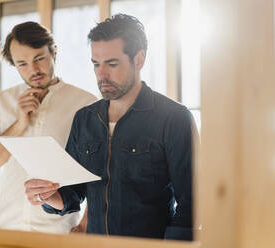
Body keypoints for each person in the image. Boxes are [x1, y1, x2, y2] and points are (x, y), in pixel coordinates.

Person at [24, 14, 195, 240]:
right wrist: (47, 194)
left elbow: (192, 204)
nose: (101, 74)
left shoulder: (174, 118)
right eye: (96, 64)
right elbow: (73, 194)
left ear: (139, 59)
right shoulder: (85, 118)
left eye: (112, 64)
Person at [0, 21, 96, 234]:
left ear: (53, 53)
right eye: (22, 64)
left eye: (40, 59)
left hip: (59, 233)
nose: (34, 70)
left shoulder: (86, 103)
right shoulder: (3, 101)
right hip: (6, 229)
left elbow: (100, 173)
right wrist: (19, 124)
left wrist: (86, 223)